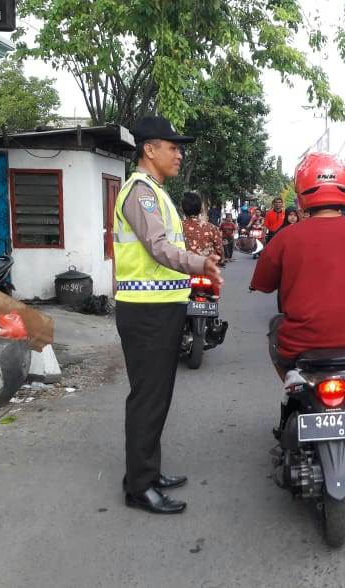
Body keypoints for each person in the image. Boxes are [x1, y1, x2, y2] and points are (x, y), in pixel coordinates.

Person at [112, 116, 222, 514]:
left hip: (160, 308)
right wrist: (199, 263)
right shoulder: (139, 192)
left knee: (157, 398)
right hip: (146, 313)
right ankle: (139, 488)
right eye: (172, 146)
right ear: (149, 150)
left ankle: (147, 472)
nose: (179, 153)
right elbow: (159, 247)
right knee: (148, 399)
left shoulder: (155, 192)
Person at [250, 153, 345, 431]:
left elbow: (263, 283)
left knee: (276, 325)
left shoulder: (286, 237)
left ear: (302, 194)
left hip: (300, 342)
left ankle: (293, 386)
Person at [181, 191, 223, 260]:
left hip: (184, 267)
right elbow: (219, 250)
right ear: (201, 210)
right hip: (207, 267)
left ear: (183, 209)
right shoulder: (211, 228)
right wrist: (221, 260)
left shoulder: (178, 227)